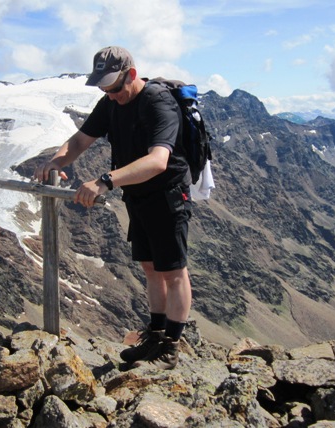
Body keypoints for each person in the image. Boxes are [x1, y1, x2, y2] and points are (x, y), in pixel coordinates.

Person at [34, 46, 193, 370]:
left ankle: (171, 346)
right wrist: (55, 161)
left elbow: (158, 160)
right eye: (105, 89)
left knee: (173, 271)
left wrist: (105, 181)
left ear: (131, 75)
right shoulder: (110, 102)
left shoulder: (157, 102)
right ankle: (156, 334)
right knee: (151, 268)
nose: (111, 95)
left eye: (116, 88)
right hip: (138, 197)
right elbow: (80, 140)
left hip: (167, 195)